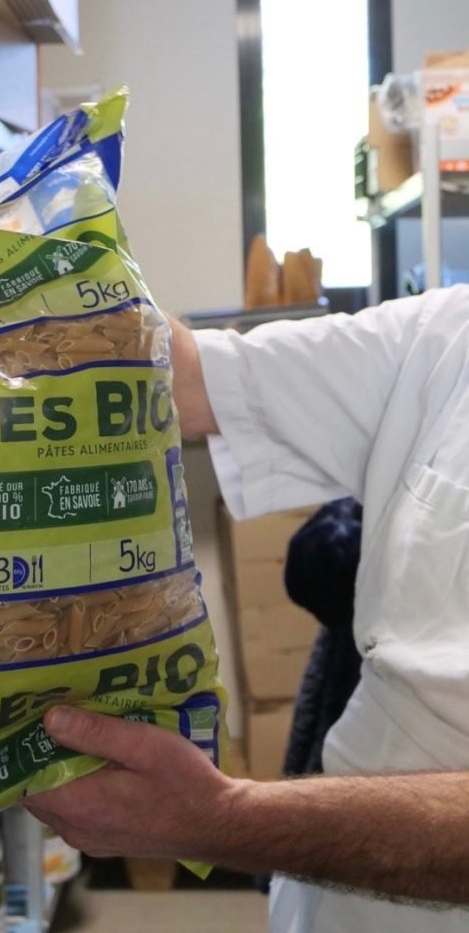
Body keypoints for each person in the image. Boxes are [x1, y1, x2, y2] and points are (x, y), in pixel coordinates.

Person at [25, 285, 469, 932]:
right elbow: (182, 376)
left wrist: (225, 821)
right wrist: (45, 259)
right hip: (329, 896)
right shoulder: (446, 334)